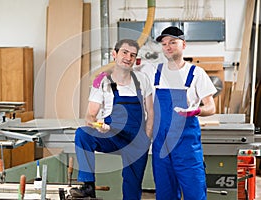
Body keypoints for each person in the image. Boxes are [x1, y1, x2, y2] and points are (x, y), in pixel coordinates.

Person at [70, 39, 154, 199]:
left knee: (132, 187)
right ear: (114, 54)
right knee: (83, 134)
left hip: (136, 140)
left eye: (132, 55)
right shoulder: (102, 80)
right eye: (124, 52)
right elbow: (90, 115)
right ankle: (88, 185)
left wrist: (147, 138)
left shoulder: (142, 80)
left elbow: (151, 112)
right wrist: (97, 125)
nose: (128, 57)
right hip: (112, 136)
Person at [141, 26, 217, 200]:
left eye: (173, 42)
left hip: (187, 149)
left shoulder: (196, 73)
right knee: (165, 195)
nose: (168, 47)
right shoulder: (154, 72)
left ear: (184, 45)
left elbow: (211, 107)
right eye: (164, 43)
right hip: (161, 149)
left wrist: (196, 111)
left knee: (195, 195)